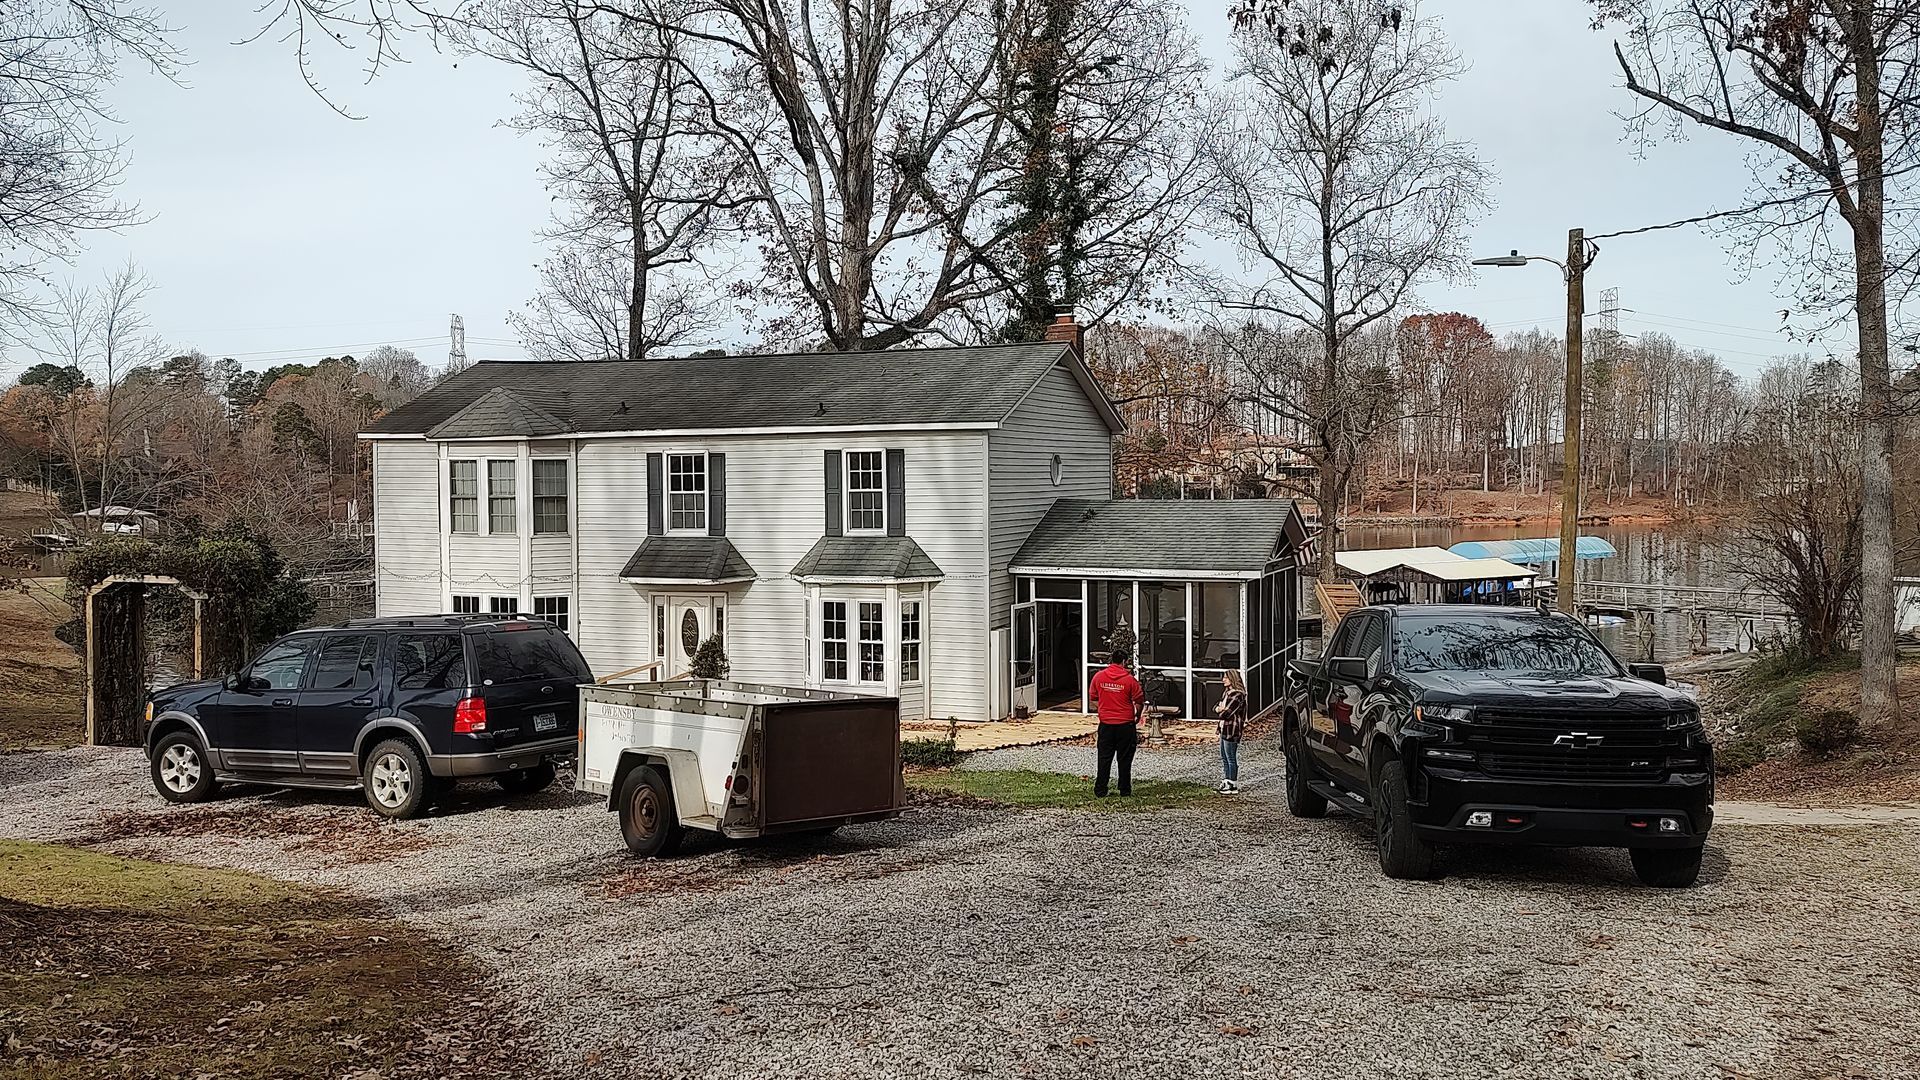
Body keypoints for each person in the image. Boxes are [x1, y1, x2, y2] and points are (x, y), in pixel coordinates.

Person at [1088, 646, 1144, 797]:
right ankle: (1124, 790)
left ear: (1112, 660)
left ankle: (1100, 789)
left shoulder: (1099, 677)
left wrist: (1103, 708)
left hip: (1106, 724)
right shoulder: (1130, 680)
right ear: (1124, 662)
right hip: (1125, 724)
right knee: (1125, 759)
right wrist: (1137, 715)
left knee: (1104, 758)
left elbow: (1093, 698)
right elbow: (1139, 701)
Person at [1214, 670, 1249, 793]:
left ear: (1232, 679)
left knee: (1231, 758)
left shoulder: (1237, 695)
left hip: (1232, 730)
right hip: (1223, 728)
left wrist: (1221, 710)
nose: (1223, 680)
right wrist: (1219, 708)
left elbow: (1226, 713)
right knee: (1224, 756)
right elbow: (1216, 707)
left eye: (1226, 678)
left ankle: (1232, 783)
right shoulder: (1226, 693)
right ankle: (1227, 779)